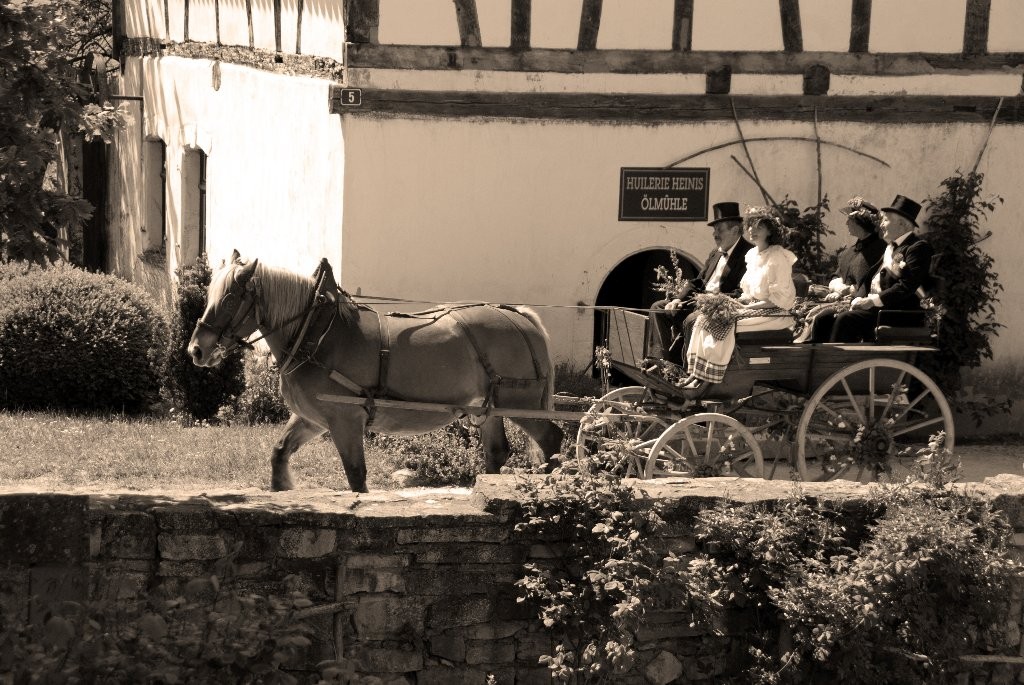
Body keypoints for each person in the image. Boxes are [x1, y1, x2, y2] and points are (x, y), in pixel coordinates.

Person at [679, 206, 797, 391]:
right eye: (750, 226)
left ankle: (710, 377)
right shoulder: (752, 255)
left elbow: (778, 300)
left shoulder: (777, 258)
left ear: (770, 231)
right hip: (754, 307)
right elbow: (748, 293)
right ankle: (695, 373)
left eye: (759, 227)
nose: (752, 231)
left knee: (722, 321)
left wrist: (743, 309)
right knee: (703, 318)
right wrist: (735, 302)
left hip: (775, 313)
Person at [811, 194, 934, 343]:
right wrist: (857, 299)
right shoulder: (892, 247)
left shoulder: (917, 248)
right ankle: (816, 363)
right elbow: (869, 279)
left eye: (886, 220)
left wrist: (871, 301)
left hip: (895, 313)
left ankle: (835, 363)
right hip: (878, 310)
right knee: (823, 318)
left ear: (903, 224)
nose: (881, 224)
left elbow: (907, 286)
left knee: (846, 320)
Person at [648, 202, 753, 365]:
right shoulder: (716, 252)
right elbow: (698, 282)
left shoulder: (749, 254)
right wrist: (678, 299)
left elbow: (742, 293)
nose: (714, 234)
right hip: (698, 304)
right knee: (658, 308)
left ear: (735, 230)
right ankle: (660, 361)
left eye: (719, 230)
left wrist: (710, 302)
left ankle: (687, 367)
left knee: (691, 319)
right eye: (714, 230)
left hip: (719, 310)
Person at [796, 197, 886, 343]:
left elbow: (870, 283)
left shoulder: (878, 250)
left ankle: (824, 358)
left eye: (849, 220)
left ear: (860, 222)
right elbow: (836, 275)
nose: (846, 223)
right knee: (801, 310)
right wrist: (836, 286)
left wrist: (848, 290)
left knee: (821, 317)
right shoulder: (850, 252)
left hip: (859, 302)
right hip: (839, 299)